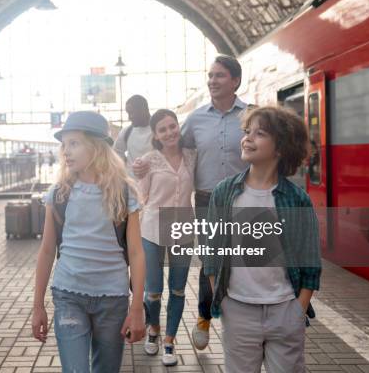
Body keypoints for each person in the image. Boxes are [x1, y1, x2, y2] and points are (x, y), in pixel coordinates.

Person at [133, 54, 249, 350]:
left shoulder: (250, 115)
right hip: (208, 200)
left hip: (245, 200)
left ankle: (244, 321)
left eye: (219, 75)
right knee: (210, 263)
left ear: (235, 80)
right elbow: (171, 149)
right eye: (210, 75)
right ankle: (203, 319)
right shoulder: (195, 119)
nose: (212, 80)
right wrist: (142, 166)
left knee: (250, 261)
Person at [204, 106, 321, 372]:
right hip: (238, 309)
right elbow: (212, 252)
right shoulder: (225, 193)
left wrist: (297, 310)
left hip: (284, 309)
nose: (247, 138)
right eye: (247, 132)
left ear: (280, 147)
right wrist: (223, 302)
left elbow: (311, 261)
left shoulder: (296, 199)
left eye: (260, 133)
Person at [32, 111, 146, 373]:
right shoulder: (59, 193)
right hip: (68, 295)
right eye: (64, 145)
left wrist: (137, 307)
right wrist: (38, 306)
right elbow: (47, 251)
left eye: (74, 143)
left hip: (113, 299)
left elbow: (137, 252)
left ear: (96, 146)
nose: (66, 152)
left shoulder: (123, 192)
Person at [137, 109, 196, 366]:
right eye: (163, 129)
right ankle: (153, 330)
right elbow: (142, 198)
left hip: (183, 229)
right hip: (151, 229)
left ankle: (170, 341)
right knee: (153, 291)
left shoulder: (192, 157)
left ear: (178, 127)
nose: (169, 132)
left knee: (178, 289)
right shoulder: (148, 161)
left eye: (172, 126)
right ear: (156, 135)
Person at [114, 95, 152, 177]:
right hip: (133, 187)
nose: (129, 117)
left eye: (132, 113)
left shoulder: (159, 130)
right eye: (128, 113)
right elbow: (117, 152)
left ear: (144, 110)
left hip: (159, 186)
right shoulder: (126, 132)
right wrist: (126, 170)